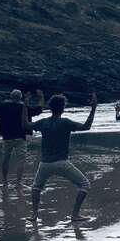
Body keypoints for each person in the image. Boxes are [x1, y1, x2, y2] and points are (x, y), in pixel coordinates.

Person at [22, 93, 97, 223]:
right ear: (63, 108)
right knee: (85, 185)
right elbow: (86, 127)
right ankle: (75, 215)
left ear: (50, 108)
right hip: (62, 163)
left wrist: (24, 106)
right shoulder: (65, 122)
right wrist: (93, 108)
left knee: (36, 188)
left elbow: (25, 125)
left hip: (45, 164)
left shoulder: (43, 122)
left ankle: (34, 215)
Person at [0, 88, 44, 186]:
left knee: (5, 159)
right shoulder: (24, 107)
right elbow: (38, 110)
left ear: (10, 97)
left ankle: (5, 181)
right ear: (20, 97)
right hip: (21, 137)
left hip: (7, 137)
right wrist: (41, 97)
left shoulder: (3, 106)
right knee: (21, 160)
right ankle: (18, 182)